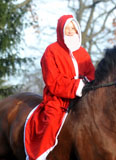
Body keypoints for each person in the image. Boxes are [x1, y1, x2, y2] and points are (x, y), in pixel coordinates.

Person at [24, 15, 95, 160]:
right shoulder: (51, 51)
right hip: (57, 100)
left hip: (83, 98)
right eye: (67, 28)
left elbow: (91, 74)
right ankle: (38, 156)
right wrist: (76, 86)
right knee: (50, 122)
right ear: (60, 30)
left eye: (72, 28)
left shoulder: (83, 53)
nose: (70, 31)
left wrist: (87, 83)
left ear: (77, 30)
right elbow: (52, 81)